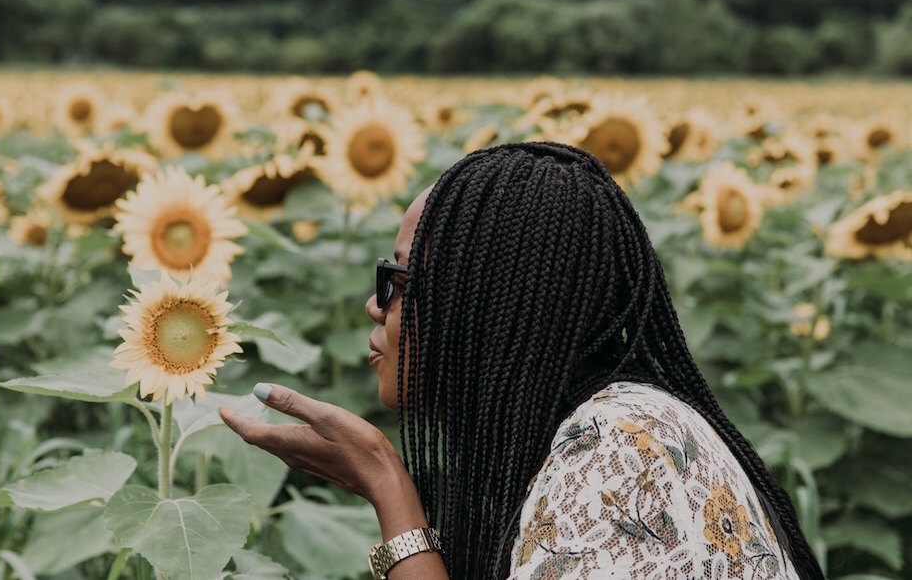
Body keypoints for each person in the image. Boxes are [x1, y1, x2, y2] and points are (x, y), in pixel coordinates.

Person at [220, 143, 824, 580]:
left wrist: (387, 484)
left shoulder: (617, 453)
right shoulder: (592, 429)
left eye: (397, 280)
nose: (375, 308)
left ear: (480, 305)